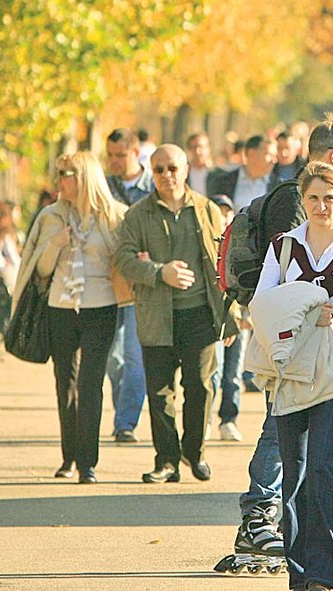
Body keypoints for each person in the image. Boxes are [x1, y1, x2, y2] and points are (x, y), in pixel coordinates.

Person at [232, 116, 333, 559]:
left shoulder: (302, 196)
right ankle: (260, 514)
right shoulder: (294, 204)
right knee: (284, 435)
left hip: (315, 349)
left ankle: (308, 537)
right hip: (294, 347)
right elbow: (287, 279)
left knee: (309, 449)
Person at [254, 161, 333, 591]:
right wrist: (308, 306)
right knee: (295, 469)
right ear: (302, 201)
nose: (322, 206)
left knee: (325, 466)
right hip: (290, 373)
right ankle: (299, 573)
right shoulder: (283, 248)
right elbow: (262, 305)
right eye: (313, 198)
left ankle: (325, 571)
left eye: (330, 197)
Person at [114, 144, 226, 484]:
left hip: (200, 314)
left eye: (173, 168)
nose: (167, 175)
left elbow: (223, 263)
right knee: (160, 392)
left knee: (201, 388)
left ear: (186, 169)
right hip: (156, 315)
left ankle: (194, 452)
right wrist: (159, 272)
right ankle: (166, 460)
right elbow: (123, 259)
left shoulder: (207, 210)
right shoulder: (138, 215)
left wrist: (233, 315)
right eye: (159, 169)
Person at [12, 152, 126, 484]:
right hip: (60, 307)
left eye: (67, 173)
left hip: (100, 307)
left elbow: (123, 261)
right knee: (66, 385)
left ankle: (87, 462)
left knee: (91, 385)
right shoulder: (50, 216)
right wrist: (55, 244)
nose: (60, 180)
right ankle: (68, 457)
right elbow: (40, 270)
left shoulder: (115, 216)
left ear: (85, 177)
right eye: (59, 173)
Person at [104, 128, 154, 444]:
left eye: (120, 155)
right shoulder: (101, 188)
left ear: (136, 153)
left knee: (136, 356)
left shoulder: (153, 188)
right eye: (110, 155)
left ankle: (125, 423)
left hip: (139, 283)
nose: (114, 162)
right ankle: (122, 408)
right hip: (107, 282)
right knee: (112, 358)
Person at [209, 193, 247, 442]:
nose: (223, 216)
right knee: (214, 370)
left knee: (234, 372)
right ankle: (206, 418)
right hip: (213, 318)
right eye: (218, 211)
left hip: (240, 315)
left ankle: (229, 420)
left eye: (227, 211)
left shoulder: (241, 243)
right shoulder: (206, 243)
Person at [208, 134, 277, 211]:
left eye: (275, 155)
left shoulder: (278, 186)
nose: (274, 160)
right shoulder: (224, 182)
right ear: (251, 154)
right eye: (269, 154)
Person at [185, 133, 213, 197]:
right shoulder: (184, 174)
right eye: (194, 148)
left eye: (201, 147)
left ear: (208, 148)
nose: (197, 151)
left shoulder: (220, 175)